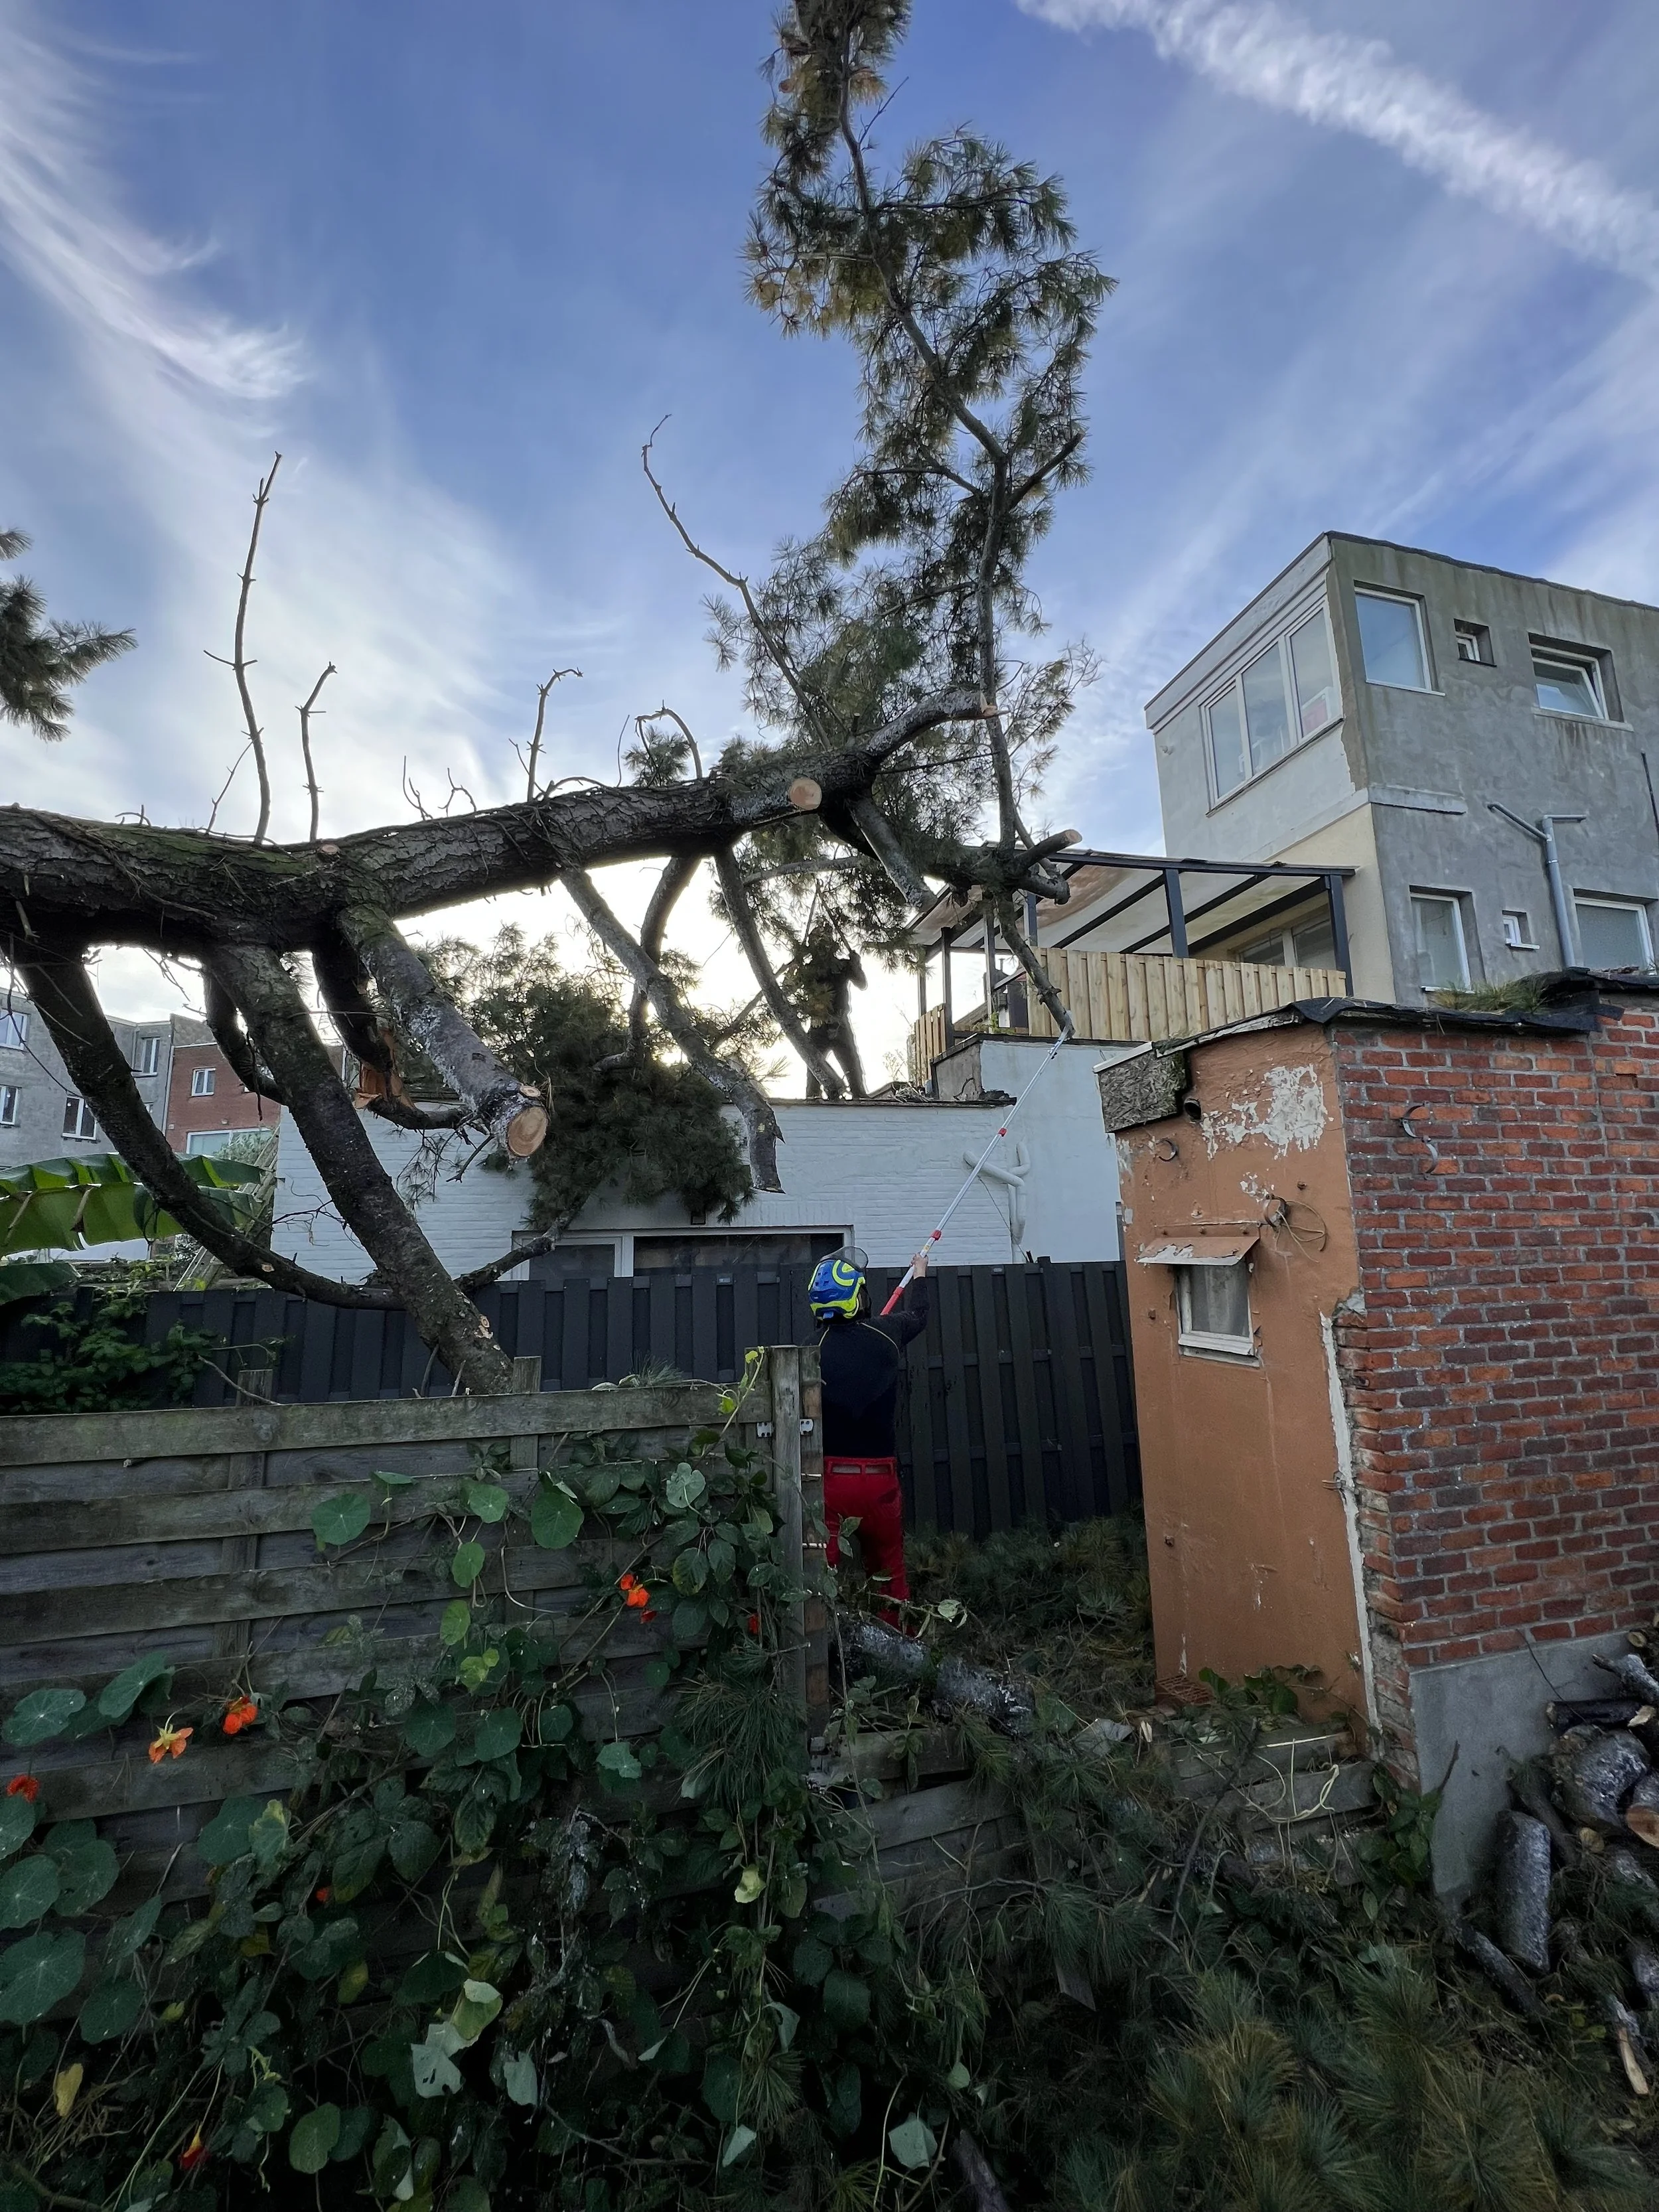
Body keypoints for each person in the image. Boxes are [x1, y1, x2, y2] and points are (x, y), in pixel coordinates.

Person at [809, 1246, 930, 1619]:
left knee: (818, 1581)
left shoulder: (812, 1352)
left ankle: (823, 1649)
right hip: (880, 1484)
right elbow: (919, 1316)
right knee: (889, 1577)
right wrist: (920, 1273)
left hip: (830, 1485)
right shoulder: (887, 1335)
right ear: (858, 1296)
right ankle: (900, 1647)